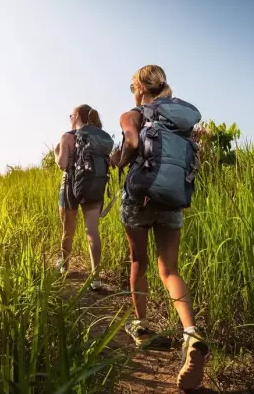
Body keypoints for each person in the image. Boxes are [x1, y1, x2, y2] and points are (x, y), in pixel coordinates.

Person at [109, 65, 209, 390]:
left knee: (139, 262)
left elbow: (131, 143)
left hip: (139, 198)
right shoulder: (178, 118)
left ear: (139, 86)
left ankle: (140, 328)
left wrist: (118, 159)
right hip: (171, 200)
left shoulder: (133, 113)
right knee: (170, 271)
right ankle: (191, 334)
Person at [54, 104, 113, 291]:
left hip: (71, 184)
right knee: (92, 231)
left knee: (68, 229)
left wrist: (56, 152)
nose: (69, 117)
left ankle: (64, 264)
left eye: (70, 114)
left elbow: (63, 164)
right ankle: (96, 278)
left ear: (77, 116)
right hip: (94, 185)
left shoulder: (68, 136)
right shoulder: (99, 137)